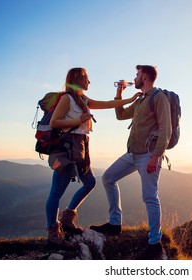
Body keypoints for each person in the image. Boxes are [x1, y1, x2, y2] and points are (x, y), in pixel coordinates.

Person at [46, 67, 140, 248]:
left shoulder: (82, 99)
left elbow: (106, 104)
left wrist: (129, 98)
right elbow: (54, 123)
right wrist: (79, 120)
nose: (89, 81)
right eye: (86, 78)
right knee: (56, 192)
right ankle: (52, 231)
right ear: (77, 79)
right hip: (66, 149)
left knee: (90, 183)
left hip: (80, 148)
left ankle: (66, 219)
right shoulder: (67, 99)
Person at [90, 65, 171, 259]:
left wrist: (156, 155)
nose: (134, 78)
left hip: (148, 155)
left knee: (150, 197)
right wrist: (119, 94)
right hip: (132, 154)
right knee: (108, 178)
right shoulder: (141, 99)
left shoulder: (158, 98)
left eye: (137, 75)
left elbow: (166, 129)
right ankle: (115, 223)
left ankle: (155, 243)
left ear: (145, 76)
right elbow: (120, 115)